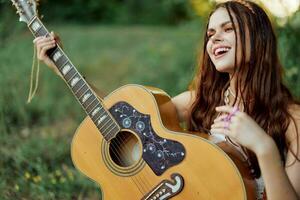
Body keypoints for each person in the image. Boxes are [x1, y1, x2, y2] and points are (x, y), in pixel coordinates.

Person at [34, 0, 299, 199]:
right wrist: (62, 68)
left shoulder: (292, 119)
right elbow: (121, 119)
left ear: (259, 38)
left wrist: (263, 147)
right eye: (210, 33)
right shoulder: (200, 101)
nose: (214, 37)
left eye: (228, 29)